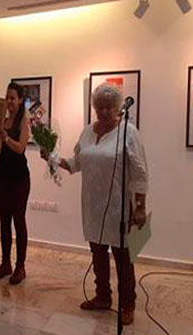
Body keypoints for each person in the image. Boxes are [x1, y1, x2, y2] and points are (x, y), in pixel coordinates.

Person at [41, 84, 148, 325]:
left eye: (109, 107)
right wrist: (52, 158)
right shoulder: (87, 132)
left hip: (121, 205)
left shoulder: (128, 132)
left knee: (123, 257)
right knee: (98, 252)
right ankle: (102, 296)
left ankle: (127, 303)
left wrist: (140, 206)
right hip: (92, 203)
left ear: (119, 107)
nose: (104, 111)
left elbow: (140, 171)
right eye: (99, 107)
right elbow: (76, 163)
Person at [0, 82, 32, 285]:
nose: (9, 102)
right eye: (7, 98)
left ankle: (20, 266)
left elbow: (20, 148)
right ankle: (5, 263)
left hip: (19, 178)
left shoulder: (24, 120)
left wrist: (5, 138)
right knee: (4, 221)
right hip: (2, 175)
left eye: (13, 98)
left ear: (20, 100)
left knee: (19, 221)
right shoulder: (2, 120)